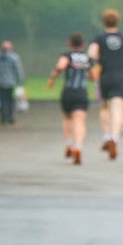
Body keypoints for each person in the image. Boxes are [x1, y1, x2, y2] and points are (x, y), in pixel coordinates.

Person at [88, 8, 123, 160]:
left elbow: (91, 54)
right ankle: (114, 139)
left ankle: (106, 136)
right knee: (117, 109)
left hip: (104, 77)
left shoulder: (99, 38)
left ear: (104, 22)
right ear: (118, 21)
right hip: (119, 77)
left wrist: (102, 57)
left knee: (105, 107)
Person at [47, 32, 93, 165]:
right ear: (83, 44)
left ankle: (68, 144)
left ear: (70, 44)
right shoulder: (86, 58)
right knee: (80, 121)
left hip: (68, 92)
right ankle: (78, 147)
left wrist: (52, 78)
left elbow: (61, 66)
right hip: (81, 92)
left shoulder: (67, 56)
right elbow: (93, 76)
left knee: (68, 118)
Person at [0, 40, 25, 125]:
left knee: (2, 100)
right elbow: (18, 69)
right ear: (10, 48)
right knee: (10, 100)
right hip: (11, 81)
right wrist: (20, 81)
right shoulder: (14, 57)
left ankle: (3, 118)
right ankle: (10, 117)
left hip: (0, 81)